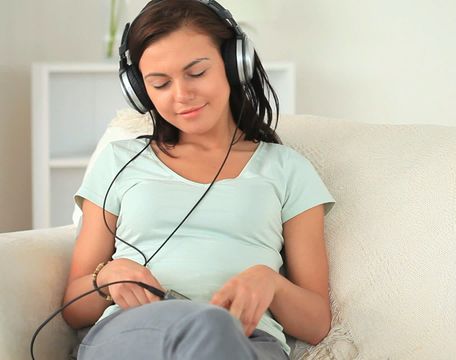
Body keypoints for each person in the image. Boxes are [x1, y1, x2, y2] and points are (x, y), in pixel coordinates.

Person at [61, 1, 335, 359]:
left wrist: (273, 284)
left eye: (196, 73)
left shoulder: (287, 169)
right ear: (141, 93)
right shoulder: (119, 162)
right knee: (207, 326)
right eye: (159, 84)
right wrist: (107, 278)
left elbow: (316, 324)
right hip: (137, 333)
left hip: (248, 341)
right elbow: (72, 308)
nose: (181, 96)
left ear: (234, 65)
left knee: (213, 328)